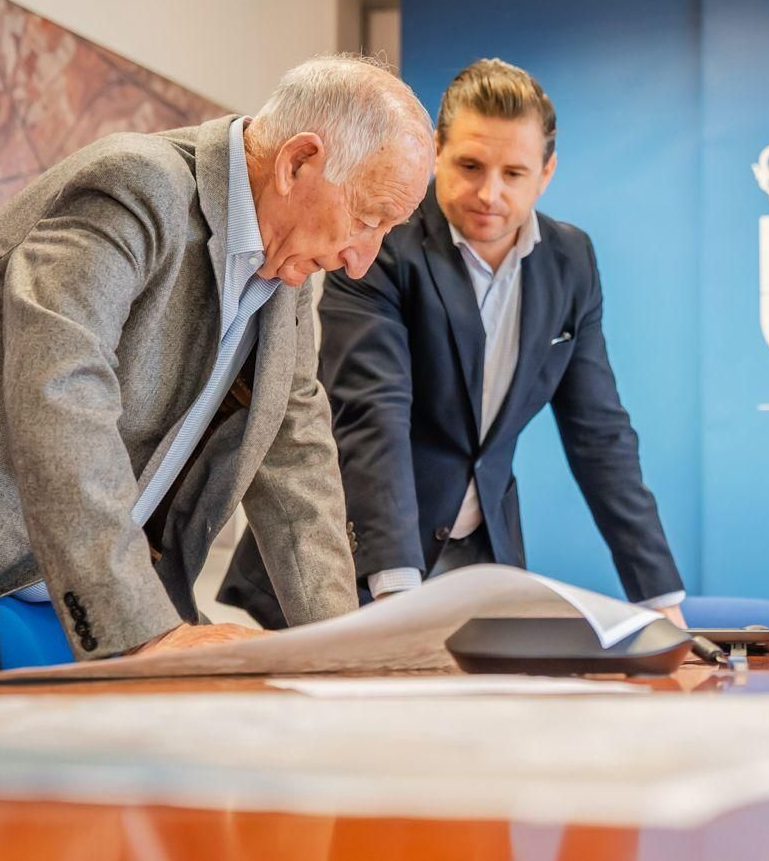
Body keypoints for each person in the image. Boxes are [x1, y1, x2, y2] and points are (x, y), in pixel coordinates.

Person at [0, 55, 435, 686]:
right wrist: (143, 632)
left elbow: (296, 452)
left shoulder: (288, 270)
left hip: (45, 606)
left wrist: (345, 651)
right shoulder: (138, 186)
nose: (362, 259)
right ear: (297, 162)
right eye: (367, 217)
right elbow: (60, 385)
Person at [220, 58, 687, 625]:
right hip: (354, 557)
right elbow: (374, 413)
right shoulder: (379, 239)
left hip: (480, 562)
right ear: (437, 150)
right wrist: (398, 597)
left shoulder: (571, 263)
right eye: (469, 165)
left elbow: (600, 436)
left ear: (547, 172)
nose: (488, 193)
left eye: (514, 173)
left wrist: (661, 602)